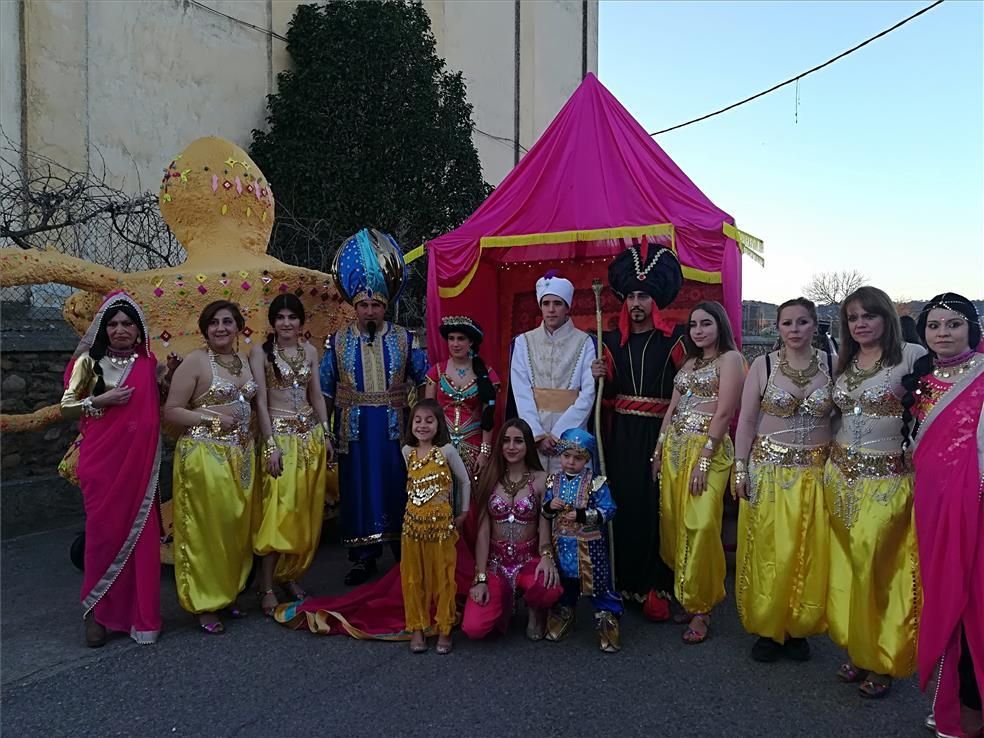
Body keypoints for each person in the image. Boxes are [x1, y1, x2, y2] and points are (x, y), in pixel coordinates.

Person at [824, 285, 925, 697]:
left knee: (878, 567)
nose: (861, 324)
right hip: (840, 478)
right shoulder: (843, 362)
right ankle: (858, 649)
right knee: (848, 566)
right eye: (853, 318)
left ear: (886, 317)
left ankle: (884, 659)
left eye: (869, 315)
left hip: (887, 481)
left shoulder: (913, 357)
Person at [60, 292, 171, 647]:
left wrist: (170, 378)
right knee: (102, 538)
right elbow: (66, 409)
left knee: (139, 538)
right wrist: (99, 400)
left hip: (138, 467)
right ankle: (95, 613)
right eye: (113, 324)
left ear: (138, 331)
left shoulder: (149, 364)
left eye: (127, 324)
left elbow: (157, 407)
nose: (120, 330)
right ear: (103, 329)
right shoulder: (87, 365)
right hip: (101, 466)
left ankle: (140, 616)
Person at [321, 228, 429, 585]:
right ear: (354, 307)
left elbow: (425, 379)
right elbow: (323, 389)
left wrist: (427, 426)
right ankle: (362, 557)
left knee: (398, 485)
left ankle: (403, 550)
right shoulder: (336, 342)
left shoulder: (404, 338)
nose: (370, 310)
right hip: (353, 431)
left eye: (376, 305)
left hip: (395, 430)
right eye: (364, 305)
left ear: (386, 306)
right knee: (358, 489)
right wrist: (324, 431)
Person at [733, 297, 834, 662]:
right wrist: (740, 468)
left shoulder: (835, 365)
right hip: (769, 471)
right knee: (768, 550)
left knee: (809, 551)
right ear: (777, 328)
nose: (795, 330)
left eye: (803, 322)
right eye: (787, 323)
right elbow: (745, 422)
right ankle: (767, 627)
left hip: (815, 474)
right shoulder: (762, 365)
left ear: (815, 326)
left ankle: (798, 626)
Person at [901, 293, 983, 736]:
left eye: (953, 324)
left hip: (976, 508)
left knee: (972, 602)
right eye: (934, 326)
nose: (943, 333)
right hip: (931, 504)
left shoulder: (982, 378)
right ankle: (949, 699)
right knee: (941, 595)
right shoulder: (924, 381)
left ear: (972, 328)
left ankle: (970, 707)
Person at [590, 238, 685, 619]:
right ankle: (625, 582)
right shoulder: (610, 341)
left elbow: (691, 390)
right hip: (624, 436)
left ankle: (658, 584)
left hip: (663, 433)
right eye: (631, 296)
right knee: (626, 504)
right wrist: (599, 376)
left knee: (658, 508)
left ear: (655, 300)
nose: (637, 303)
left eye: (644, 296)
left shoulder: (677, 340)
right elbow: (607, 396)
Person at [652, 300, 744, 645]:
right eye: (693, 325)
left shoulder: (731, 360)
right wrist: (659, 449)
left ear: (720, 325)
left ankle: (703, 608)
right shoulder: (689, 362)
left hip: (710, 450)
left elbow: (724, 413)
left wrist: (704, 460)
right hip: (676, 448)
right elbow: (672, 409)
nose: (699, 330)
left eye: (706, 323)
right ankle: (688, 596)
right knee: (675, 522)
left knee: (703, 523)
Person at [164, 300, 257, 634]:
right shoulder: (196, 361)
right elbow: (172, 411)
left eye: (228, 321)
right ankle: (204, 603)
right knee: (207, 531)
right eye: (214, 322)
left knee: (234, 528)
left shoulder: (242, 360)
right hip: (205, 456)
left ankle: (227, 593)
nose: (221, 328)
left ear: (238, 326)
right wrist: (212, 419)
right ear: (205, 329)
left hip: (242, 456)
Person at [249, 293, 333, 615]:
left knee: (303, 511)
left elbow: (316, 396)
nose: (286, 323)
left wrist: (325, 434)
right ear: (273, 322)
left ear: (301, 322)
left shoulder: (310, 351)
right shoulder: (261, 352)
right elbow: (260, 402)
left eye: (292, 318)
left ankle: (290, 575)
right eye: (281, 318)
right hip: (280, 440)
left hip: (309, 436)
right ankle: (267, 585)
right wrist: (269, 444)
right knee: (277, 512)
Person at [462, 418, 563, 641]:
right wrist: (480, 578)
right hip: (496, 565)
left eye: (518, 441)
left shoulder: (541, 480)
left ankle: (536, 611)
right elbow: (483, 532)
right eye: (506, 441)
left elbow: (545, 523)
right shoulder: (489, 478)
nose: (511, 446)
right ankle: (503, 602)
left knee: (549, 588)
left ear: (528, 445)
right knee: (474, 627)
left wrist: (546, 557)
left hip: (529, 560)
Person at [541, 428, 622, 653]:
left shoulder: (595, 483)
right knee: (565, 584)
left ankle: (607, 621)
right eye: (566, 456)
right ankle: (564, 614)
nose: (570, 462)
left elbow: (609, 509)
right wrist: (549, 506)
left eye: (577, 458)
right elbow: (545, 513)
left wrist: (582, 515)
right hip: (561, 544)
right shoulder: (552, 481)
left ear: (587, 459)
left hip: (588, 547)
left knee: (597, 586)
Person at [400, 399, 471, 655]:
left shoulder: (447, 451)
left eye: (429, 420)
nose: (422, 425)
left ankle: (444, 629)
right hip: (412, 528)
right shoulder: (407, 451)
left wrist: (463, 512)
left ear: (439, 424)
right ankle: (417, 627)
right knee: (413, 578)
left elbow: (464, 482)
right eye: (417, 420)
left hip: (441, 528)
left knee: (443, 578)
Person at [509, 271, 595, 474]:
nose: (551, 310)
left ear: (567, 307)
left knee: (569, 492)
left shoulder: (585, 342)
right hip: (534, 430)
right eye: (546, 304)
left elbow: (588, 393)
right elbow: (520, 389)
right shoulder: (524, 342)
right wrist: (537, 435)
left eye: (557, 304)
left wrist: (559, 435)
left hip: (572, 432)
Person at [425, 316, 499, 480]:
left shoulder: (487, 375)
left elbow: (489, 416)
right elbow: (427, 415)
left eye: (461, 339)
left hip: (472, 447)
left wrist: (484, 452)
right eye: (451, 338)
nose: (455, 344)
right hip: (441, 445)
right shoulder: (436, 373)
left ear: (471, 342)